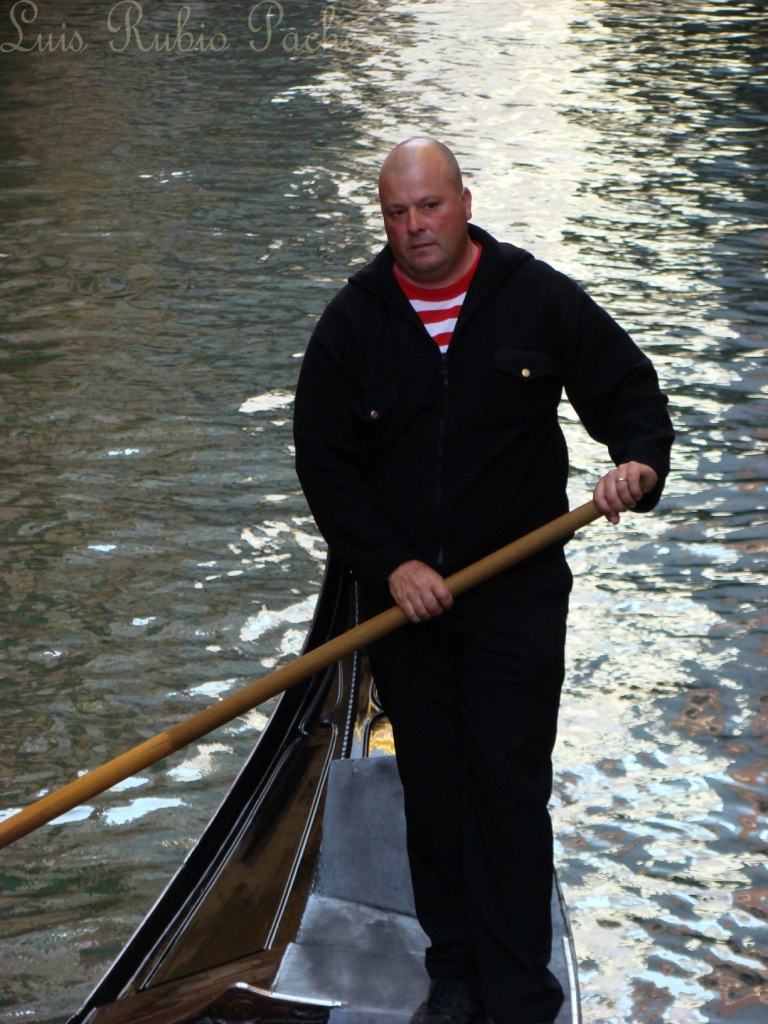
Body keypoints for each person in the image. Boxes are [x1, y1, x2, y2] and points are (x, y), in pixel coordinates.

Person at [293, 138, 673, 1024]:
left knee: (506, 783)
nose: (415, 227)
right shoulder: (355, 320)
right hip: (407, 604)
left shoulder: (532, 296)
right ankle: (455, 976)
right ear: (383, 219)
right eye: (397, 212)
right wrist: (390, 565)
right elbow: (324, 458)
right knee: (431, 785)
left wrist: (637, 464)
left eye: (429, 206)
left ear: (463, 202)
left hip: (516, 590)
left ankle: (520, 992)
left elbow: (630, 390)